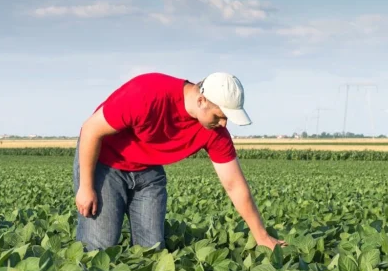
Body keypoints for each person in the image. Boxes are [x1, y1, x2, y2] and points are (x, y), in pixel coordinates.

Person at [73, 71, 286, 251]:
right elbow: (90, 130)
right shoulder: (147, 94)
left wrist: (261, 236)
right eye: (219, 116)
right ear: (201, 101)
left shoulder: (214, 132)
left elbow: (234, 185)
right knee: (99, 248)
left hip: (147, 172)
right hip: (105, 164)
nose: (223, 123)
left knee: (152, 251)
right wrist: (85, 186)